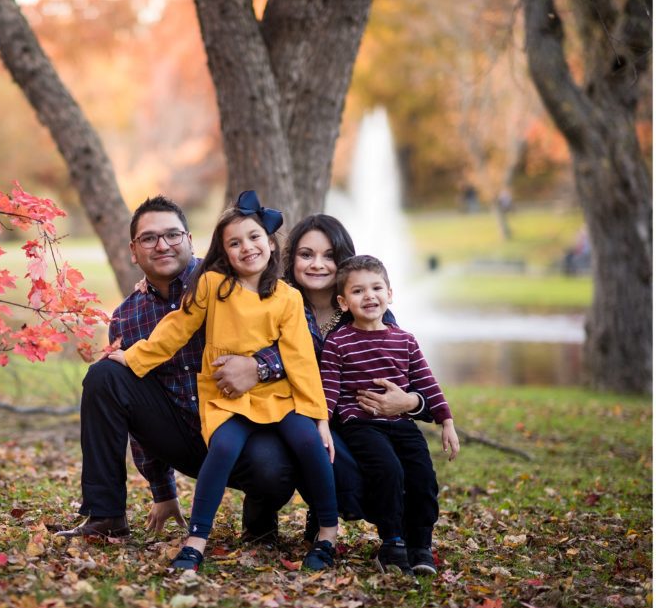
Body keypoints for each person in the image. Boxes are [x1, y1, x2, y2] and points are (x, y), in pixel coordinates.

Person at [57, 195, 310, 544]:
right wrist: (163, 492)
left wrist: (259, 367)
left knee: (275, 470)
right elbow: (135, 411)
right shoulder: (127, 317)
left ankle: (259, 522)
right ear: (134, 250)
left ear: (190, 241)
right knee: (105, 375)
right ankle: (106, 516)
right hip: (182, 433)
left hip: (241, 424)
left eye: (172, 235)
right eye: (149, 238)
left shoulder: (231, 280)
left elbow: (307, 340)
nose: (162, 245)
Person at [108, 190, 337, 571]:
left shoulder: (287, 297)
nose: (246, 248)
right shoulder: (213, 284)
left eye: (254, 238)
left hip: (277, 394)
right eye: (235, 242)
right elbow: (175, 329)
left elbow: (299, 359)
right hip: (225, 396)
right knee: (223, 448)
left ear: (270, 242)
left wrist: (320, 417)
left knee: (308, 442)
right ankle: (196, 540)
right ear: (224, 251)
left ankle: (327, 534)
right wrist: (133, 356)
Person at [283, 215, 432, 534]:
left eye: (329, 256)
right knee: (308, 442)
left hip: (362, 425)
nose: (317, 264)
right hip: (299, 418)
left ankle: (397, 535)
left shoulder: (372, 313)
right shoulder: (282, 306)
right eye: (306, 255)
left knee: (387, 461)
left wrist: (408, 402)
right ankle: (311, 514)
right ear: (292, 259)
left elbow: (423, 388)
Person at [319, 254, 460, 576]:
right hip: (362, 426)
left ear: (390, 294)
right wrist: (323, 425)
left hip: (402, 425)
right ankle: (392, 542)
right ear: (343, 302)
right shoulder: (338, 343)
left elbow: (427, 382)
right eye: (358, 291)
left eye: (376, 287)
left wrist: (447, 422)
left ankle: (421, 545)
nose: (369, 296)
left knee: (423, 477)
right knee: (389, 471)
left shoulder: (405, 340)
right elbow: (329, 389)